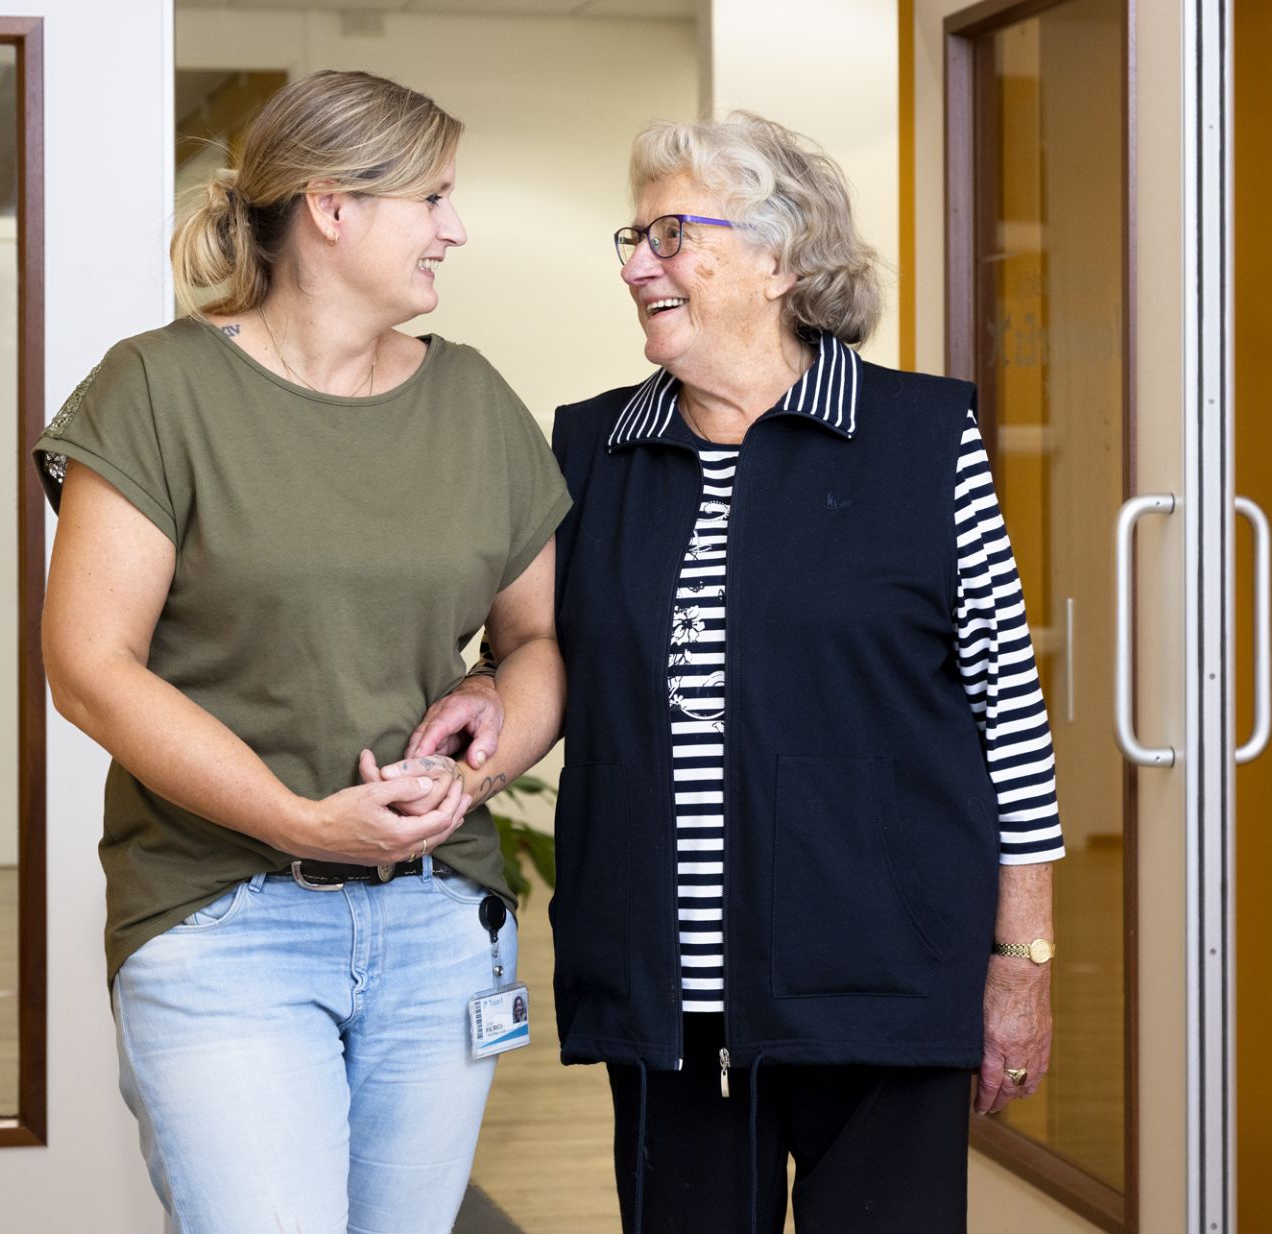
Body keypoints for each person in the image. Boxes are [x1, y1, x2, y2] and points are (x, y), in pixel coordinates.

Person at [407, 114, 1065, 1232]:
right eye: (633, 235)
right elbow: (535, 653)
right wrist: (482, 689)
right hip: (667, 999)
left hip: (882, 980)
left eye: (671, 232)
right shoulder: (591, 452)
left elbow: (1008, 706)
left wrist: (1022, 957)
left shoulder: (920, 436)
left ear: (783, 259)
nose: (634, 263)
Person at [35, 70, 570, 1233]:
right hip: (225, 915)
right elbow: (89, 666)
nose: (456, 228)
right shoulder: (157, 390)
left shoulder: (475, 401)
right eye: (432, 197)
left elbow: (534, 640)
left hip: (437, 920)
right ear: (332, 208)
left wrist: (483, 748)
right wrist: (298, 820)